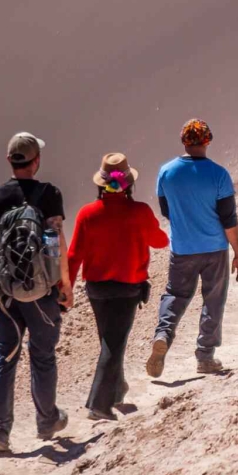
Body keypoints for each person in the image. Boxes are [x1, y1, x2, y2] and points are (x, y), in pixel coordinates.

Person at [0, 131, 73, 454]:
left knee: (4, 355)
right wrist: (66, 283)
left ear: (9, 160)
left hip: (5, 290)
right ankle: (47, 420)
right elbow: (57, 242)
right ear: (36, 161)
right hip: (43, 291)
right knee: (43, 355)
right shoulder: (50, 194)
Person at [67, 153, 170, 421]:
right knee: (114, 344)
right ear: (128, 185)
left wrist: (64, 289)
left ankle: (118, 388)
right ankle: (99, 404)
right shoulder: (140, 212)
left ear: (101, 184)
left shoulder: (87, 214)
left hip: (96, 290)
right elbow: (160, 242)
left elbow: (73, 255)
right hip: (128, 289)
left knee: (109, 340)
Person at [148, 119, 238, 377]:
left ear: (183, 141)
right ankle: (205, 357)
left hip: (182, 247)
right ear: (207, 141)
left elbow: (166, 210)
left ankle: (163, 335)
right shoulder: (219, 174)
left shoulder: (166, 172)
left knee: (175, 295)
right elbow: (229, 218)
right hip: (214, 249)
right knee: (213, 300)